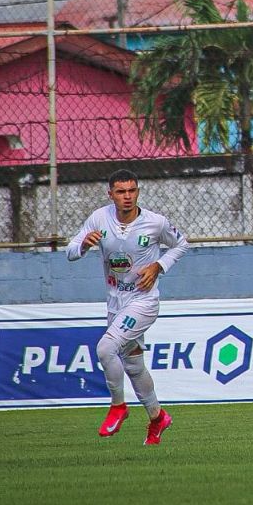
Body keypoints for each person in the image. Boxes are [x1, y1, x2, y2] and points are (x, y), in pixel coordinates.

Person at [67, 169, 189, 445]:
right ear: (110, 194)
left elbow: (181, 244)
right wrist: (84, 245)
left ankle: (118, 407)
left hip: (144, 301)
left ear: (138, 192)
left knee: (105, 348)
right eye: (121, 192)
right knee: (133, 364)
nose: (127, 197)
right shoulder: (99, 218)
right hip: (115, 302)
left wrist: (158, 266)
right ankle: (158, 418)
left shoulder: (155, 223)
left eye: (132, 191)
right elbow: (70, 251)